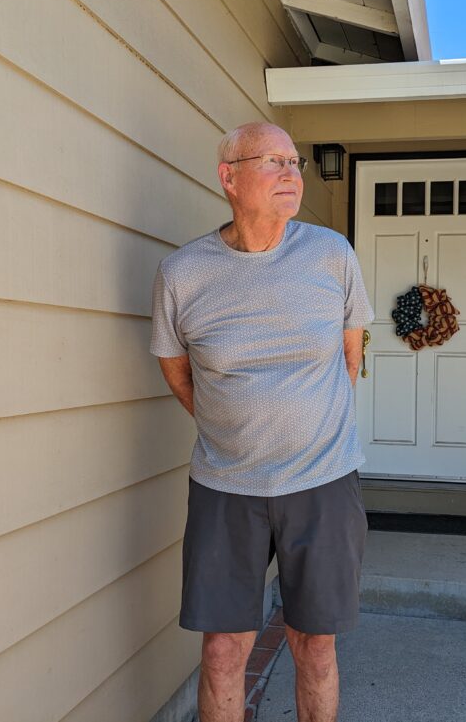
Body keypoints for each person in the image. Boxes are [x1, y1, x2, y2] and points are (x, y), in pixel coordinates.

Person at [150, 122, 374, 722]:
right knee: (223, 652)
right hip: (226, 489)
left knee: (316, 647)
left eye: (295, 163)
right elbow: (176, 371)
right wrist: (234, 429)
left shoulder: (331, 255)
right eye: (272, 162)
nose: (290, 174)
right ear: (229, 177)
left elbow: (350, 358)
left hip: (323, 483)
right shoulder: (183, 274)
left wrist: (301, 423)